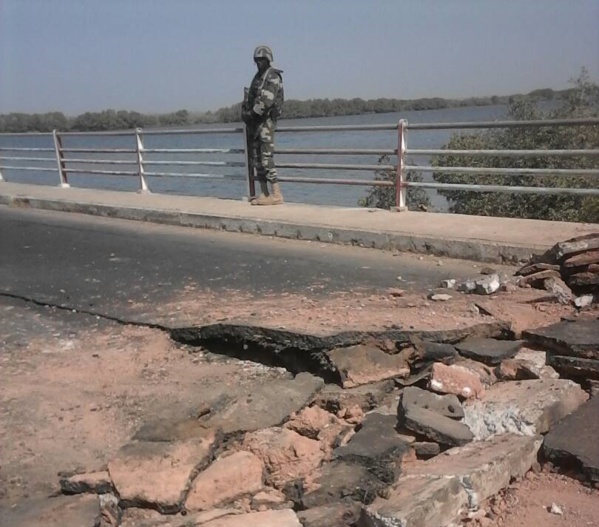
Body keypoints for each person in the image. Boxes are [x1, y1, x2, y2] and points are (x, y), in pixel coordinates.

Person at [242, 45, 285, 205]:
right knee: (257, 159)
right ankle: (265, 193)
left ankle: (276, 193)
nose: (259, 63)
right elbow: (251, 97)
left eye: (261, 60)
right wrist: (246, 112)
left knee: (266, 158)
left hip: (265, 122)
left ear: (268, 60)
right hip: (255, 124)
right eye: (257, 61)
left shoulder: (272, 76)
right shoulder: (258, 77)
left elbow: (266, 101)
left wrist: (251, 113)